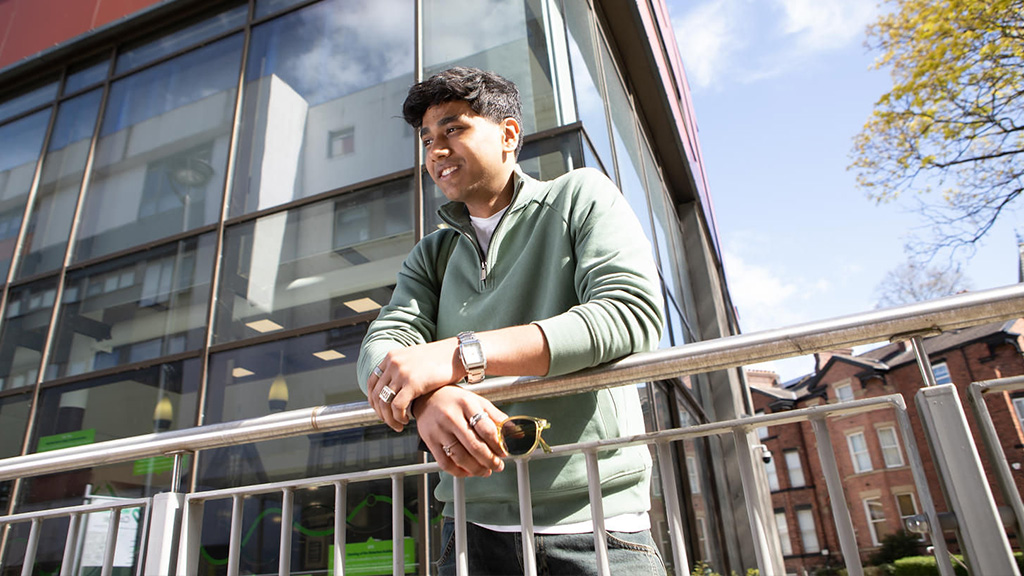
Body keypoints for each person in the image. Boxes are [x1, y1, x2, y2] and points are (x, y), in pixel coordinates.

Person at [357, 66, 665, 575]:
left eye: (453, 128)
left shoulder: (579, 196)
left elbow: (628, 313)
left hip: (597, 525)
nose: (435, 150)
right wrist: (426, 399)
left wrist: (458, 357)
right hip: (469, 529)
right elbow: (383, 345)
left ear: (508, 135)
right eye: (427, 138)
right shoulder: (431, 254)